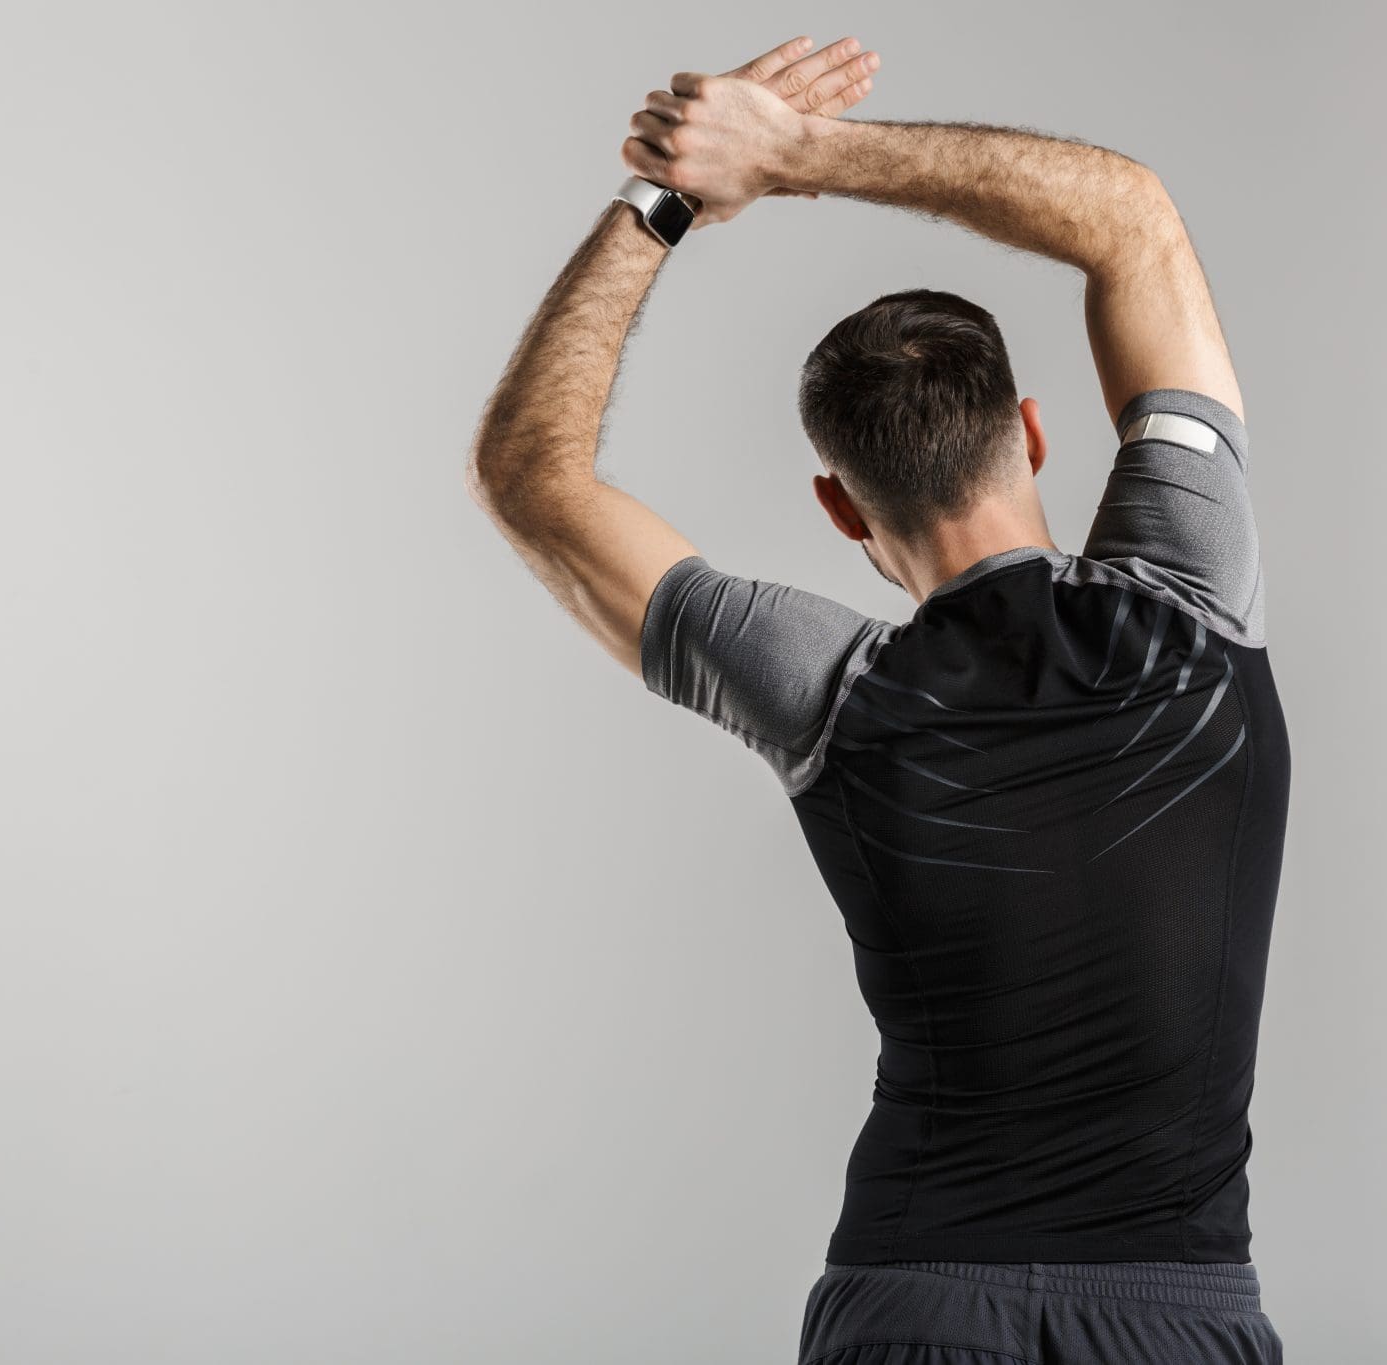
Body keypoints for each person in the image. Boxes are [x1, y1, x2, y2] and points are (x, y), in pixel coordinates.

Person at [467, 34, 1290, 1365]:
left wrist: (660, 201)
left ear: (838, 504)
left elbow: (531, 477)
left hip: (916, 1306)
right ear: (1030, 429)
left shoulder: (827, 690)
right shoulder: (1194, 598)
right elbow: (1132, 219)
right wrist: (799, 157)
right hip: (1175, 1309)